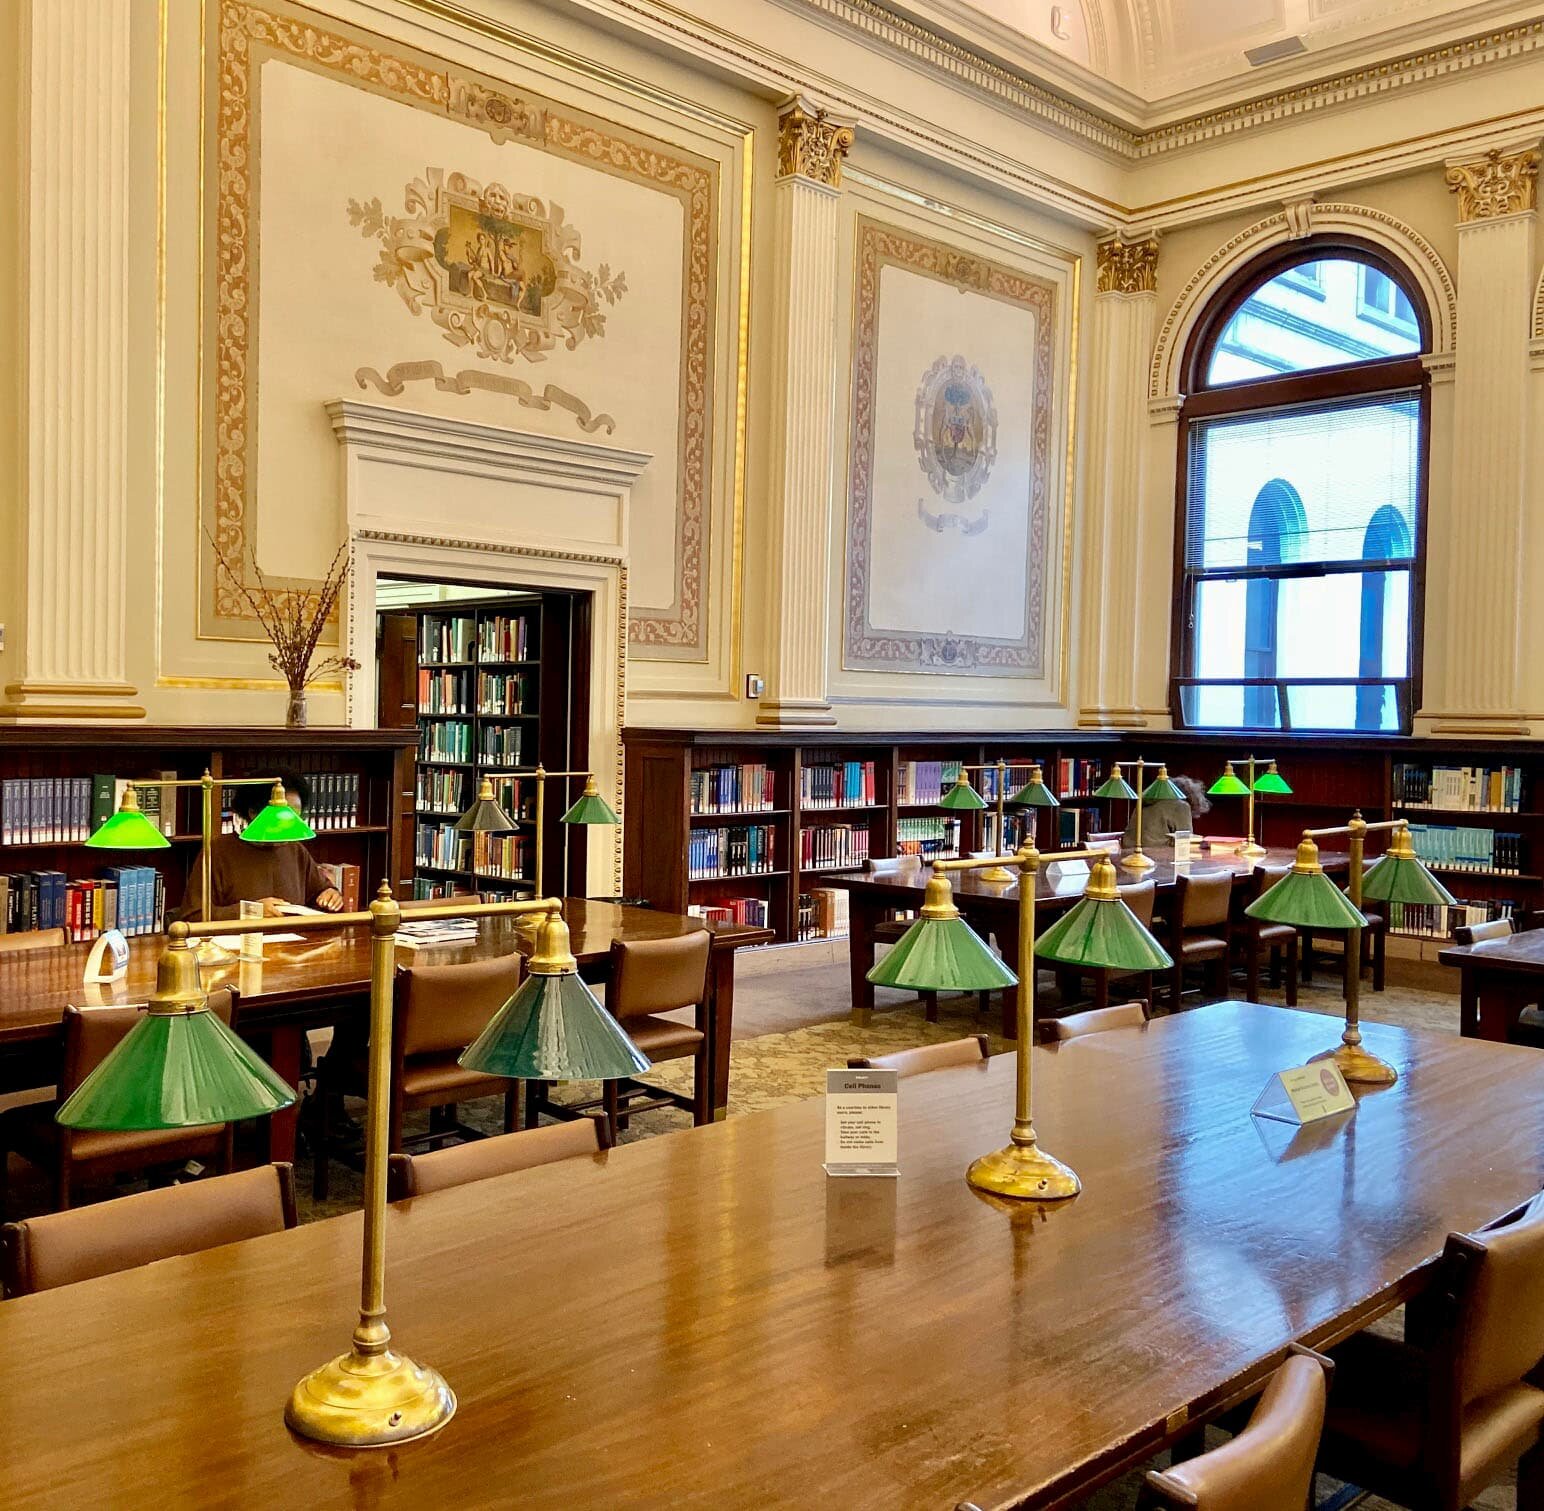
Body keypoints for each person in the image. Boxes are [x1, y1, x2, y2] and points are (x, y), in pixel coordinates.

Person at [179, 771, 344, 920]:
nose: (289, 824)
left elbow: (319, 894)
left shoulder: (295, 849)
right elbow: (192, 915)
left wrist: (331, 895)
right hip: (237, 948)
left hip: (292, 948)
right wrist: (250, 911)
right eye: (281, 817)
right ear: (253, 813)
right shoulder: (218, 851)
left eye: (296, 816)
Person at [1122, 774, 1211, 850]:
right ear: (1191, 796)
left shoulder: (1144, 802)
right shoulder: (1180, 806)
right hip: (1160, 859)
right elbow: (1185, 843)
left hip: (1129, 855)